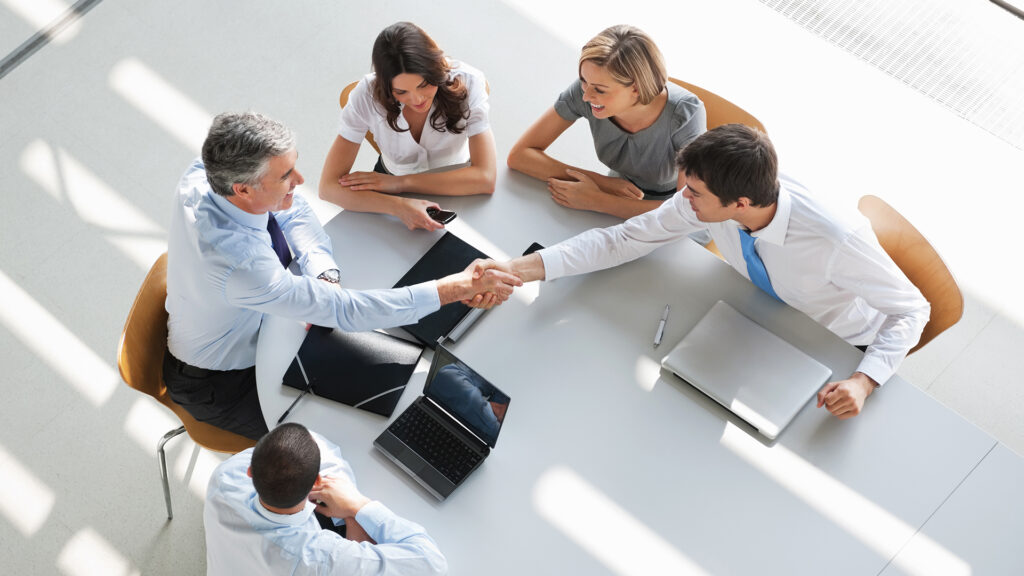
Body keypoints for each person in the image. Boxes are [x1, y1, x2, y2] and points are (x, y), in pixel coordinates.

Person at [480, 124, 929, 420]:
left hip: (836, 344)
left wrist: (864, 381)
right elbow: (625, 239)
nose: (683, 199)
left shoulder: (836, 238)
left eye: (694, 192)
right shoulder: (712, 199)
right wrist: (516, 269)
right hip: (757, 315)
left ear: (742, 204)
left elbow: (912, 310)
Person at [165, 111, 520, 440]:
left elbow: (293, 209)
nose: (300, 180)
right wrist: (452, 288)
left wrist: (323, 272)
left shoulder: (208, 172)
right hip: (223, 380)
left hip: (251, 320)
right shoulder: (240, 263)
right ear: (243, 189)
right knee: (337, 442)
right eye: (286, 176)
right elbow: (345, 311)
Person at [507, 24, 706, 219]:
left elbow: (687, 209)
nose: (586, 96)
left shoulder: (686, 114)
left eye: (600, 90)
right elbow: (520, 156)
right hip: (615, 195)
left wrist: (597, 200)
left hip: (673, 214)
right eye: (583, 80)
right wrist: (602, 182)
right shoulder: (585, 90)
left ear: (636, 88)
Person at [205, 422, 448, 575]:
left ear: (250, 471)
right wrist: (356, 506)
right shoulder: (319, 560)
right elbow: (432, 564)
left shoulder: (225, 477)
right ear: (318, 482)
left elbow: (304, 443)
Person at [319, 22, 496, 231]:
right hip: (389, 183)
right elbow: (328, 187)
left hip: (457, 180)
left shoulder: (469, 81)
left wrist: (401, 183)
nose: (417, 99)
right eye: (401, 92)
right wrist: (398, 206)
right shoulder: (366, 94)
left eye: (424, 85)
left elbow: (485, 178)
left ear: (436, 69)